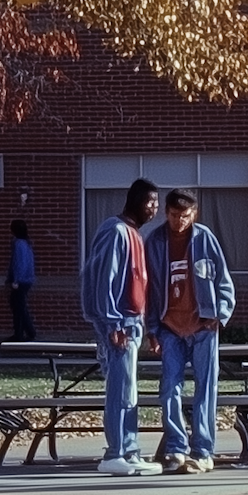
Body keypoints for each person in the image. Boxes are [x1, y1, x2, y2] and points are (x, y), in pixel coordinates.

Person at [145, 189, 235, 474]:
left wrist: (219, 314)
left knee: (205, 390)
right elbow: (149, 291)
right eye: (173, 215)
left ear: (193, 214)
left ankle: (203, 451)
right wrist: (152, 330)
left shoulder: (205, 239)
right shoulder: (155, 241)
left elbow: (223, 281)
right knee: (169, 389)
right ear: (166, 213)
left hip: (203, 327)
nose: (179, 221)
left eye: (184, 216)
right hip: (170, 328)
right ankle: (175, 448)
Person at [80, 178, 162, 476]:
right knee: (120, 389)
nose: (154, 209)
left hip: (133, 323)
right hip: (120, 324)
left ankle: (130, 450)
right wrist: (112, 322)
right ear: (137, 202)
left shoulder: (133, 234)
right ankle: (114, 452)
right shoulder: (115, 232)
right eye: (150, 203)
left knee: (129, 391)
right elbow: (105, 281)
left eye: (156, 204)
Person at [5, 219, 37, 342]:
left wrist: (15, 280)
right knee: (19, 306)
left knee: (18, 307)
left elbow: (18, 263)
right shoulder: (27, 243)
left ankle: (21, 333)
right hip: (27, 279)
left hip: (21, 280)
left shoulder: (18, 244)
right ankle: (28, 331)